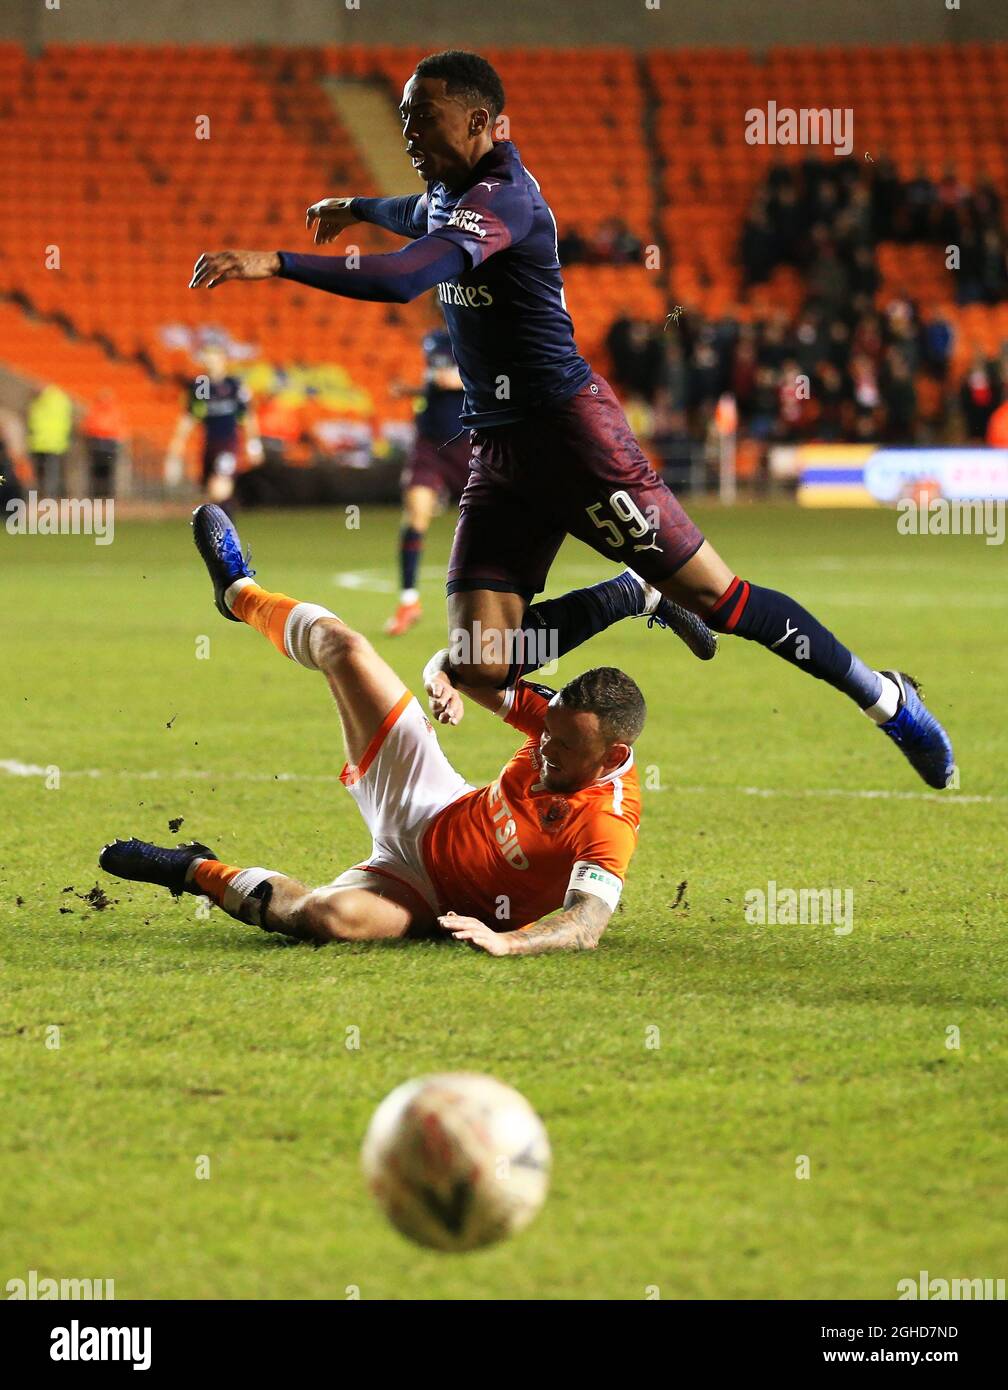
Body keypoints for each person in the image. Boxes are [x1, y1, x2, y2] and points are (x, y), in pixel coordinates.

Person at [187, 49, 955, 790]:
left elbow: (405, 275)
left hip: (574, 440)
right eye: (403, 121)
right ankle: (629, 594)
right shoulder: (452, 194)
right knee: (483, 662)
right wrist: (355, 207)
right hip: (501, 455)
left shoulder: (507, 198)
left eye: (423, 121)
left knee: (721, 601)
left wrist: (277, 261)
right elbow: (412, 211)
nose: (410, 137)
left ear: (482, 120)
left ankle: (885, 699)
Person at [98, 505, 647, 955]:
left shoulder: (608, 820)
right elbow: (470, 663)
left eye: (564, 746)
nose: (544, 746)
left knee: (326, 916)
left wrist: (508, 942)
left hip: (425, 897)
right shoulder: (557, 724)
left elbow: (585, 924)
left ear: (611, 754)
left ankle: (194, 868)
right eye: (546, 733)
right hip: (430, 800)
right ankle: (237, 592)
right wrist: (439, 676)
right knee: (345, 646)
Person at [385, 324, 470, 635]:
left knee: (487, 523)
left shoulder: (478, 331)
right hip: (430, 446)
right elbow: (435, 380)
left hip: (467, 444)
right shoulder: (433, 338)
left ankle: (505, 603)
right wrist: (409, 389)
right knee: (416, 514)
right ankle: (408, 602)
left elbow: (499, 376)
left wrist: (462, 379)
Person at [164, 347, 261, 506]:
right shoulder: (202, 384)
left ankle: (226, 529)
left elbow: (247, 416)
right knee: (211, 492)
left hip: (228, 444)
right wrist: (178, 444)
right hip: (209, 444)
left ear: (222, 358)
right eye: (206, 356)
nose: (209, 360)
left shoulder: (234, 385)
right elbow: (193, 415)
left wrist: (254, 445)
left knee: (220, 487)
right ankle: (219, 527)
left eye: (213, 356)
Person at [26, 384, 73, 498]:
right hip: (51, 443)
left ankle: (47, 497)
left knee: (47, 473)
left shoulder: (39, 403)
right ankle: (49, 496)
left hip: (45, 443)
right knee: (50, 473)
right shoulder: (61, 400)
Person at [81, 389, 125, 495]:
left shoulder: (113, 412)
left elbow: (118, 428)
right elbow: (87, 427)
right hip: (97, 443)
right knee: (96, 471)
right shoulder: (94, 411)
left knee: (108, 471)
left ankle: (106, 494)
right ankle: (96, 494)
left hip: (109, 444)